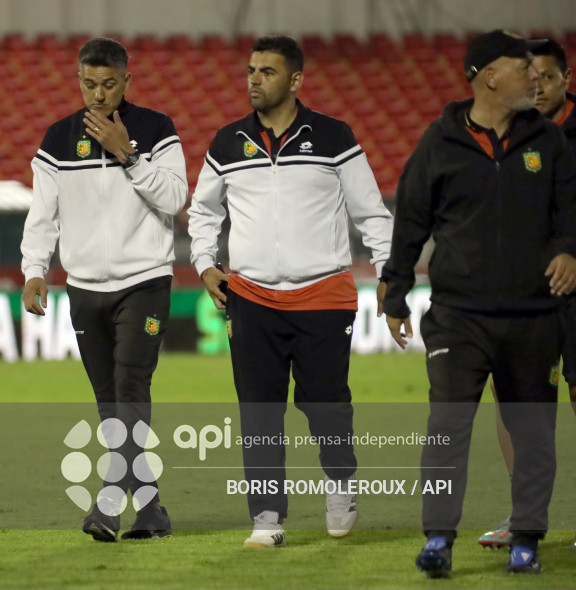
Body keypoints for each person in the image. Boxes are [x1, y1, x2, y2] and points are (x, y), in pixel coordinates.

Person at [380, 30, 576, 577]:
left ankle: (526, 535)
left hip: (533, 316)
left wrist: (571, 251)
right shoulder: (440, 142)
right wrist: (396, 290)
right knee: (447, 425)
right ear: (488, 75)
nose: (533, 74)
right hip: (458, 316)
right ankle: (438, 537)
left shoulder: (547, 141)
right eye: (521, 65)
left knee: (532, 431)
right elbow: (410, 221)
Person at [188, 35, 394, 547]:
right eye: (251, 70)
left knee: (326, 404)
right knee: (258, 409)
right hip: (251, 296)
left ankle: (341, 484)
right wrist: (204, 262)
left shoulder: (333, 136)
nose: (254, 79)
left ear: (296, 80)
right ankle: (266, 517)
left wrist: (390, 270)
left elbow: (371, 212)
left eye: (267, 71)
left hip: (323, 294)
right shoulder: (227, 141)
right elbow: (203, 212)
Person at [20, 37, 188, 542]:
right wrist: (33, 270)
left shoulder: (156, 130)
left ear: (126, 82)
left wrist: (128, 155)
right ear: (79, 80)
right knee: (108, 398)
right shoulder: (56, 140)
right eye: (89, 84)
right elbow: (41, 216)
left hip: (145, 282)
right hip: (84, 288)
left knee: (131, 389)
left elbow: (177, 197)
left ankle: (110, 503)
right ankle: (152, 509)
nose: (98, 94)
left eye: (108, 85)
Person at [477, 38, 576, 553]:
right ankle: (524, 515)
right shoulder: (505, 133)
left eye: (548, 77)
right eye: (531, 77)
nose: (538, 86)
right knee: (515, 405)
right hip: (524, 294)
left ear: (568, 78)